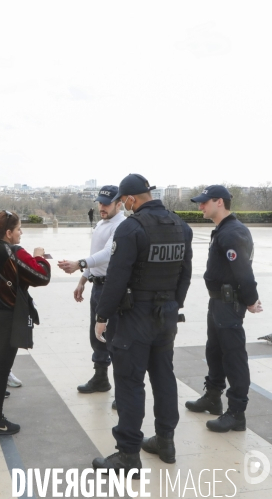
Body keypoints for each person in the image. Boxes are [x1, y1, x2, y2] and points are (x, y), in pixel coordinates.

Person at [91, 173, 193, 473]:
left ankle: (128, 454)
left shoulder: (131, 228)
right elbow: (185, 273)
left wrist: (102, 316)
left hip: (135, 315)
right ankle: (165, 441)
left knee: (129, 382)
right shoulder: (180, 226)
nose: (125, 205)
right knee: (164, 376)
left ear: (132, 199)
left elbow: (117, 278)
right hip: (167, 314)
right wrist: (175, 304)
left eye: (124, 201)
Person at [185, 185, 263, 432]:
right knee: (214, 350)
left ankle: (236, 413)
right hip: (219, 301)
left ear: (219, 202)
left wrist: (250, 299)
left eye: (204, 202)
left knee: (233, 356)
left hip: (229, 303)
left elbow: (243, 271)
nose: (200, 207)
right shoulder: (224, 230)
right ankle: (213, 397)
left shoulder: (232, 233)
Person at [0, 210, 50, 435]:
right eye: (18, 229)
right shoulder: (12, 251)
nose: (21, 233)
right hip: (3, 317)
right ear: (8, 232)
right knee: (1, 368)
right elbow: (41, 276)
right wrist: (39, 257)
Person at [58, 186, 125, 396]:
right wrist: (84, 278)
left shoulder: (122, 225)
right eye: (100, 203)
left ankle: (123, 390)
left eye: (106, 203)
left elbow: (107, 254)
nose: (102, 207)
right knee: (96, 336)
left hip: (111, 287)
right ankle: (100, 378)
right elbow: (95, 254)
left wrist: (79, 263)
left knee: (114, 337)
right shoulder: (101, 224)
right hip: (98, 285)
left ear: (119, 203)